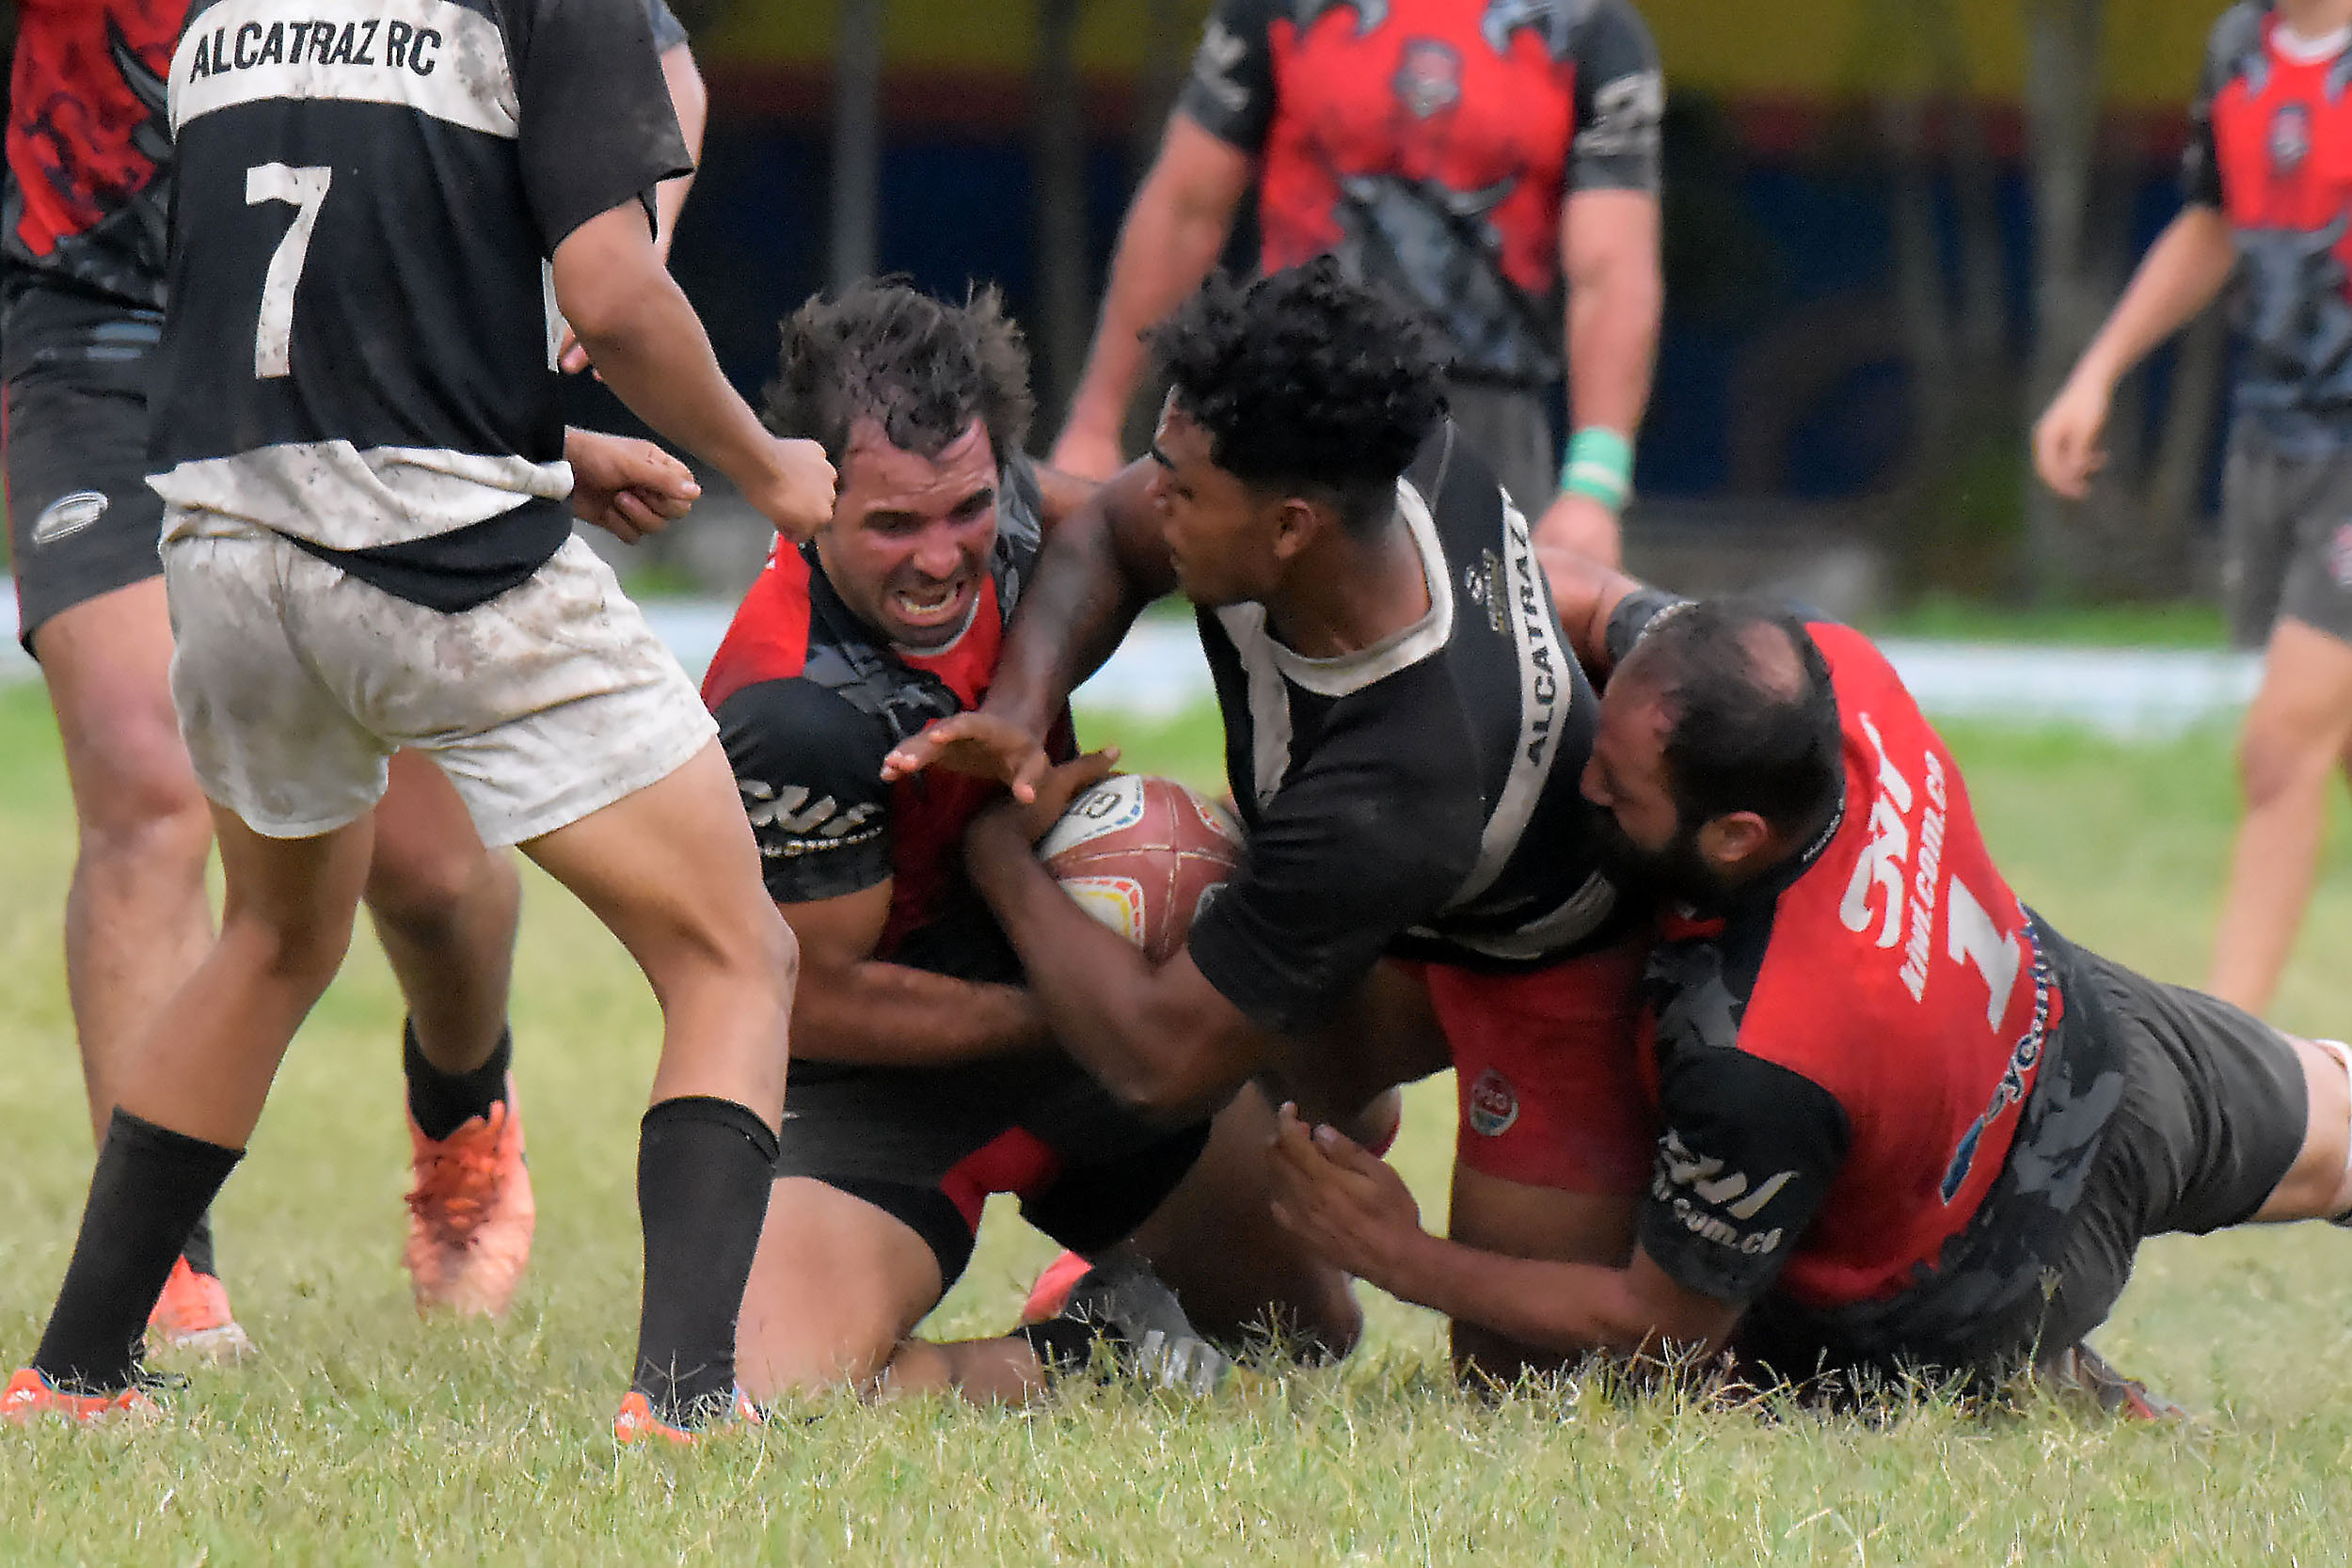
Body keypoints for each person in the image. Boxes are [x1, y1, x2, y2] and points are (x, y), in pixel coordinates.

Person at [1, 0, 835, 1440]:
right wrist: (769, 466)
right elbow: (616, 297)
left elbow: (290, 324)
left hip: (220, 548)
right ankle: (691, 1403)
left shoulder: (230, 24)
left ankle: (75, 1373)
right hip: (428, 553)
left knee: (271, 938)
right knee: (732, 947)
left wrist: (552, 452)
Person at [1263, 586, 2352, 1410]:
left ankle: (2042, 1373)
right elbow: (1605, 598)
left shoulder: (1758, 1049)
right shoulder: (1829, 671)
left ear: (1735, 836)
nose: (1583, 782)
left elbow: (1661, 1322)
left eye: (1618, 791)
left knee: (1695, 1391)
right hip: (2093, 1046)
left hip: (1973, 1274)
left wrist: (1401, 1257)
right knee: (2340, 1118)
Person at [888, 260, 1656, 1376]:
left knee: (1514, 1375)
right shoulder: (1350, 471)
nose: (1156, 499)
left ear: (1290, 529)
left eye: (1184, 489)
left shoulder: (1400, 773)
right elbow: (1104, 533)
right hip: (1406, 905)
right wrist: (1016, 712)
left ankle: (1367, 1104)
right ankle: (1329, 1101)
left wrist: (993, 845)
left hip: (1554, 957)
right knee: (1167, 885)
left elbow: (1157, 1062)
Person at [703, 278, 1357, 1403]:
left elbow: (1171, 528)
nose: (943, 556)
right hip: (876, 1079)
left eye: (963, 508)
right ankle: (1089, 1357)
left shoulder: (1017, 511)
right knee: (769, 1391)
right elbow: (812, 999)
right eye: (892, 524)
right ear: (808, 498)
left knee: (1309, 1331)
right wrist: (1097, 1013)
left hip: (1063, 972)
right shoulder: (787, 708)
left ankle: (1111, 1260)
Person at [1051, 0, 1663, 565]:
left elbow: (1611, 269)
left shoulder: (1589, 30)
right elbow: (1185, 210)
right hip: (1291, 396)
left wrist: (1594, 487)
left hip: (1485, 419)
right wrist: (1094, 424)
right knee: (1274, 659)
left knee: (1480, 670)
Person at [2034, 0, 2352, 1018]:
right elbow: (2212, 223)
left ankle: (2229, 1061)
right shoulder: (2236, 49)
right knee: (2335, 740)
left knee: (2281, 741)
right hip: (2276, 437)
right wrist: (2097, 373)